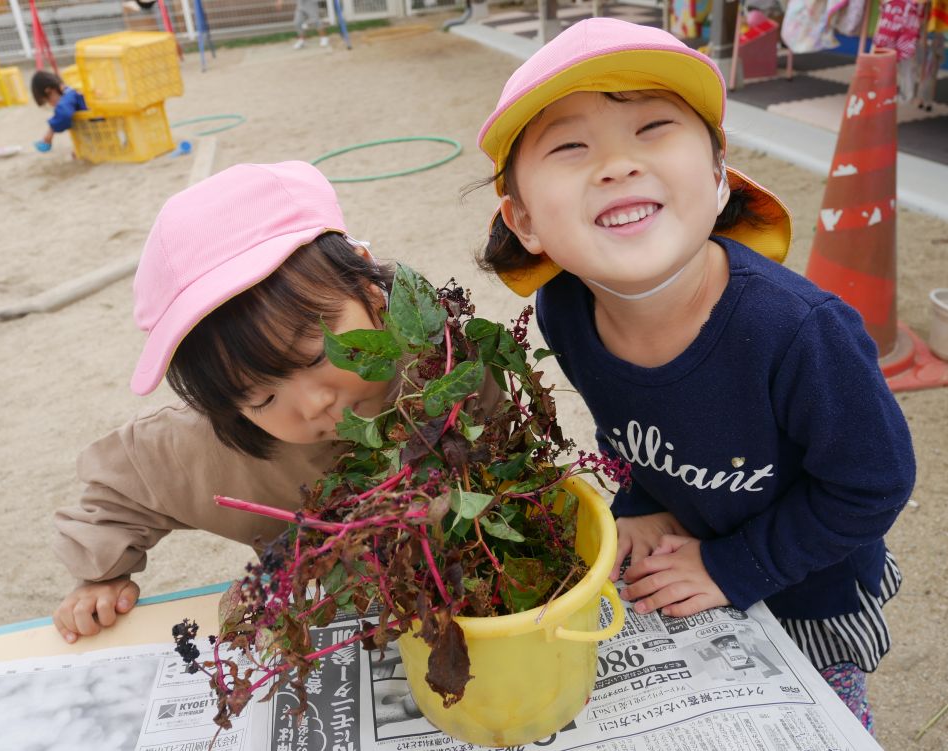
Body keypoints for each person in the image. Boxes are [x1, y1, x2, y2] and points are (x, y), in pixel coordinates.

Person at [474, 17, 914, 731]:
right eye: (571, 145)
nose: (616, 165)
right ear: (523, 220)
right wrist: (641, 501)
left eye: (653, 128)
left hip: (814, 588)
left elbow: (874, 483)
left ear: (717, 176)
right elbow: (642, 431)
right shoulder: (565, 310)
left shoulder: (798, 331)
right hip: (690, 551)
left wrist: (731, 566)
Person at [52, 161, 485, 643]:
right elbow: (122, 489)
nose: (315, 403)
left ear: (368, 290)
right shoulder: (209, 448)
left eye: (321, 353)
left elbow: (508, 448)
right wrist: (102, 572)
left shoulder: (442, 365)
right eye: (263, 396)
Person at [30, 70, 88, 153]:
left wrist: (51, 131)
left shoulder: (69, 96)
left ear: (49, 90)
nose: (51, 105)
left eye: (47, 101)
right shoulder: (72, 91)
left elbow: (64, 113)